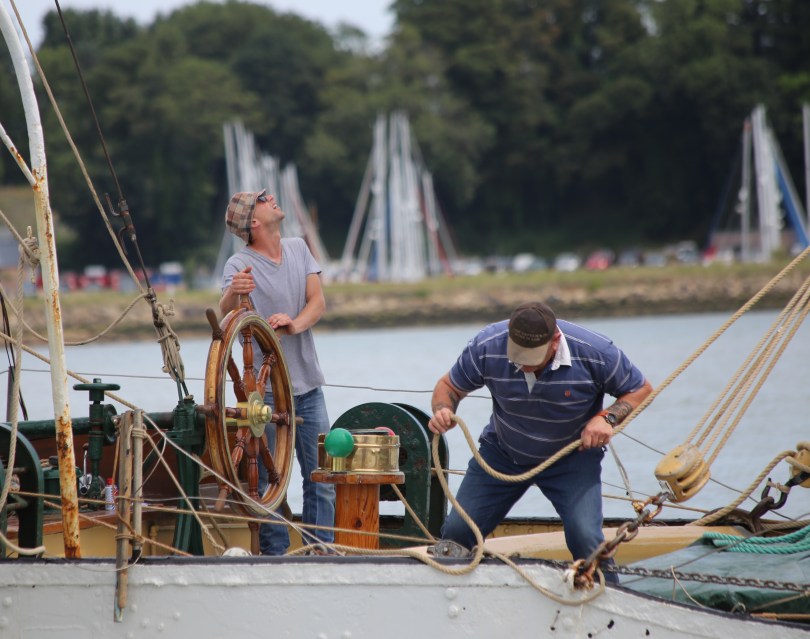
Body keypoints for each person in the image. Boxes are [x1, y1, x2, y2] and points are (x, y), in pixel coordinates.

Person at [428, 301, 653, 582]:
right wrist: (443, 410)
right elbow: (449, 386)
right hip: (503, 454)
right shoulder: (487, 344)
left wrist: (607, 418)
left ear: (555, 340)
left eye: (531, 357)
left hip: (572, 459)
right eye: (517, 355)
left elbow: (640, 389)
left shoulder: (597, 352)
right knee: (457, 533)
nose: (523, 364)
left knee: (586, 538)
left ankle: (606, 593)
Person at [220, 189, 335, 554]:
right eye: (262, 198)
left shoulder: (299, 248)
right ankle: (276, 556)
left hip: (309, 388)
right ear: (253, 222)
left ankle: (320, 551)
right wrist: (233, 293)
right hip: (264, 397)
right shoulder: (238, 266)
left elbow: (318, 302)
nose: (270, 196)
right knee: (272, 483)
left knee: (322, 478)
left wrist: (293, 324)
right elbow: (225, 315)